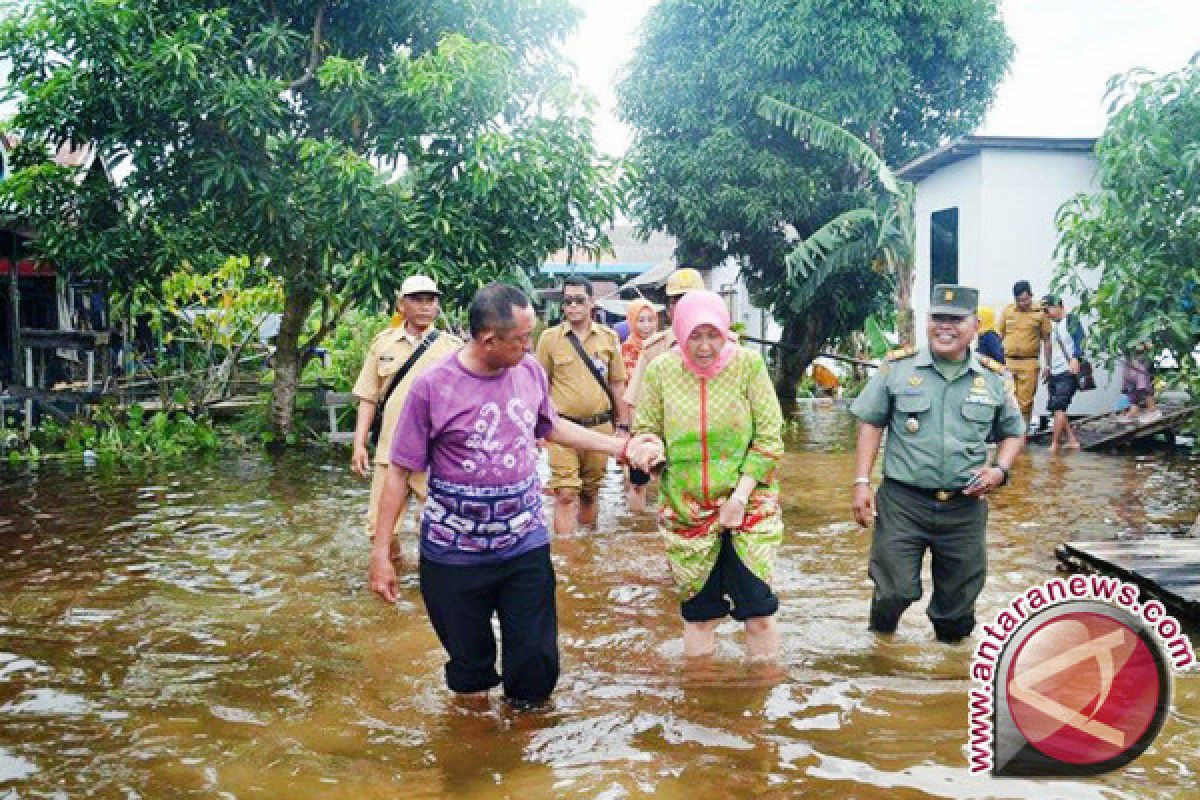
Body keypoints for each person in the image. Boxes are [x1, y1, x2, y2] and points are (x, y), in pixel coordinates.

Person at [367, 282, 658, 709]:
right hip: (454, 554)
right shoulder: (433, 388)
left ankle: (524, 757)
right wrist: (380, 554)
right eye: (521, 339)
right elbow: (399, 470)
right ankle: (478, 757)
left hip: (523, 543)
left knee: (537, 666)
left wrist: (621, 445)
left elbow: (550, 425)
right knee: (470, 675)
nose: (529, 346)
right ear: (488, 340)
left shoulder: (528, 371)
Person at [850, 284, 1025, 643]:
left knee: (957, 612)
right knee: (893, 592)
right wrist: (861, 483)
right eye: (937, 318)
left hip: (965, 507)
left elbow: (1013, 432)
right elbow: (871, 422)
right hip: (903, 502)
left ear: (975, 325)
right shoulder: (897, 369)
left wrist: (1000, 470)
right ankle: (879, 652)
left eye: (955, 320)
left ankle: (950, 676)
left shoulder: (993, 378)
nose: (945, 327)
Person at [633, 290, 785, 660]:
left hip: (748, 507)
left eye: (712, 335)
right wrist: (649, 452)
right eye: (695, 336)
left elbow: (769, 437)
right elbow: (646, 428)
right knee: (699, 618)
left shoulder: (748, 366)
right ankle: (702, 706)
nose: (704, 347)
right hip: (686, 512)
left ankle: (761, 706)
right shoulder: (661, 371)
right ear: (680, 333)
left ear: (726, 332)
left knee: (759, 614)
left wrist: (739, 497)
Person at [351, 275, 462, 554]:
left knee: (443, 528)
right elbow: (367, 397)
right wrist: (359, 445)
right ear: (401, 304)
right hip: (390, 452)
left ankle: (431, 589)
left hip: (436, 455)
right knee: (381, 530)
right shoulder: (383, 344)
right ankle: (389, 581)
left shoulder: (453, 348)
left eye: (430, 300)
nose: (425, 307)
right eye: (417, 300)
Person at [534, 277, 629, 535]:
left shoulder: (608, 339)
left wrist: (624, 426)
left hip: (600, 427)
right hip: (561, 428)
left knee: (590, 492)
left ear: (591, 303)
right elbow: (541, 385)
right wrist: (537, 428)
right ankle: (566, 557)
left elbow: (618, 384)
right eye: (568, 302)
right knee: (565, 492)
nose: (573, 306)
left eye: (579, 301)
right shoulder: (549, 339)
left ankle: (587, 552)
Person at [622, 267, 706, 414]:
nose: (685, 306)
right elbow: (636, 404)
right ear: (667, 309)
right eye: (677, 301)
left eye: (691, 299)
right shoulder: (653, 349)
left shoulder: (726, 345)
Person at [619, 297, 661, 511]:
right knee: (638, 480)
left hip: (665, 418)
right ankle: (638, 527)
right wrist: (625, 427)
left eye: (650, 320)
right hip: (637, 420)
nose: (646, 326)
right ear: (631, 323)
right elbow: (623, 390)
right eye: (640, 321)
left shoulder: (664, 347)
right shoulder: (626, 351)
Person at [997, 280, 1050, 427]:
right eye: (1020, 300)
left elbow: (1047, 340)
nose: (1024, 303)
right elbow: (999, 336)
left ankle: (1022, 433)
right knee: (1006, 399)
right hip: (1008, 362)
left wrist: (1048, 365)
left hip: (1029, 362)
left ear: (1031, 295)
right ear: (1015, 299)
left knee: (1025, 402)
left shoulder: (1040, 313)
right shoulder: (1008, 311)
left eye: (1026, 299)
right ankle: (1006, 433)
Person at [1041, 295, 1083, 451]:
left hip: (1068, 370)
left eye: (1048, 309)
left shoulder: (1072, 320)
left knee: (1059, 407)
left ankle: (1055, 444)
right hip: (1055, 370)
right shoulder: (1051, 325)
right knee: (1056, 406)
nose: (1047, 313)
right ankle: (1072, 440)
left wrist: (1076, 358)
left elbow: (1080, 340)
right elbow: (1049, 346)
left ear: (1059, 305)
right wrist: (1047, 366)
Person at [1121, 340, 1159, 423]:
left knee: (1143, 385)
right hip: (1130, 360)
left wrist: (1143, 345)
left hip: (1141, 361)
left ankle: (1152, 410)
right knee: (1130, 385)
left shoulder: (1142, 331)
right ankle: (1134, 410)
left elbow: (1150, 345)